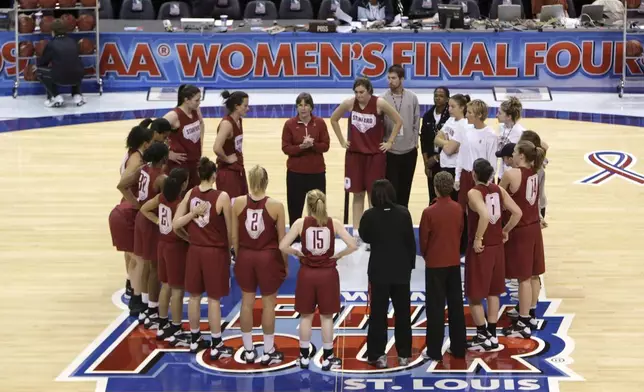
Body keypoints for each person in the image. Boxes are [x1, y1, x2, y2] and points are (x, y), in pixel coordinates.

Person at [279, 190, 358, 371]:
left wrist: (297, 253)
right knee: (326, 317)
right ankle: (328, 357)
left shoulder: (300, 223)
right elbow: (353, 244)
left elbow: (282, 245)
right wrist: (338, 255)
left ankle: (304, 356)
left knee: (306, 316)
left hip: (307, 273)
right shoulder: (334, 223)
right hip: (327, 274)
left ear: (308, 205)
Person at [172, 157, 234, 358]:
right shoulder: (222, 196)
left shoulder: (191, 193)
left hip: (195, 251)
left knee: (194, 297)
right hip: (215, 252)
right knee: (214, 299)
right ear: (214, 175)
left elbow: (176, 224)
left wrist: (191, 225)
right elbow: (231, 231)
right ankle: (216, 343)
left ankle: (194, 339)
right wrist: (232, 250)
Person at [330, 77, 403, 244]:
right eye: (356, 92)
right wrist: (342, 140)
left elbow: (399, 121)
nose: (358, 95)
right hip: (355, 155)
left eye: (361, 92)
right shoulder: (350, 103)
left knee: (374, 195)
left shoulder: (380, 103)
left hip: (374, 156)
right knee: (357, 194)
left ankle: (373, 231)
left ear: (369, 91)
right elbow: (334, 119)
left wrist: (390, 141)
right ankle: (356, 232)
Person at [232, 165, 288, 366]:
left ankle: (248, 350)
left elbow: (234, 238)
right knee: (268, 305)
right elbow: (283, 242)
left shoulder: (237, 203)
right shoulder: (276, 206)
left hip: (246, 256)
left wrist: (240, 258)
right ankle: (268, 350)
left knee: (246, 304)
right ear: (266, 181)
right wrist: (285, 264)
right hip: (267, 258)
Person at [465, 159, 522, 352]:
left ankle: (482, 335)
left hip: (483, 249)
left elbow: (484, 215)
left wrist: (478, 238)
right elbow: (517, 213)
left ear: (474, 174)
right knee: (493, 292)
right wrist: (505, 230)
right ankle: (492, 334)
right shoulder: (498, 190)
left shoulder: (473, 192)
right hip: (498, 247)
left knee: (474, 295)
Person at [359, 179, 416, 368]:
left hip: (378, 272)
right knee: (402, 314)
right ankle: (404, 354)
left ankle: (377, 355)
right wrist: (409, 267)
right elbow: (410, 242)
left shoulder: (369, 215)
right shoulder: (403, 213)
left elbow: (364, 236)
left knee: (377, 314)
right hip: (401, 271)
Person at [499, 141, 547, 339]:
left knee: (524, 278)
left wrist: (504, 229)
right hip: (534, 226)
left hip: (520, 229)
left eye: (515, 152)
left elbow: (498, 198)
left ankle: (523, 322)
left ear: (520, 156)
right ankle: (532, 313)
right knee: (534, 274)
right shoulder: (535, 174)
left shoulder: (511, 174)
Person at [418, 171, 466, 361]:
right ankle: (459, 348)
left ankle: (434, 351)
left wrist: (429, 256)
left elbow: (423, 241)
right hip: (454, 262)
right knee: (456, 306)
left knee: (435, 308)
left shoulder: (429, 212)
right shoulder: (458, 209)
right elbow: (460, 232)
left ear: (436, 188)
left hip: (435, 264)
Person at [139, 168, 190, 342]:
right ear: (183, 184)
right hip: (175, 248)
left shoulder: (161, 198)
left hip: (162, 245)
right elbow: (178, 227)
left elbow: (144, 209)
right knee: (177, 289)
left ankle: (162, 324)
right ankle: (176, 327)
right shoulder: (179, 203)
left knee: (166, 285)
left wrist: (158, 222)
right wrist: (189, 239)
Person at [109, 119, 154, 302]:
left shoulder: (131, 152)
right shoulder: (136, 160)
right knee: (138, 257)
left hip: (125, 203)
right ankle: (137, 295)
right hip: (129, 206)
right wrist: (136, 203)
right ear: (145, 143)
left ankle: (129, 281)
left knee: (130, 253)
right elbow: (121, 184)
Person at [131, 141, 170, 323]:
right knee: (154, 268)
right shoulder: (161, 178)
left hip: (141, 217)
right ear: (163, 158)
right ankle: (152, 308)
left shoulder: (144, 169)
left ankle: (146, 305)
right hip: (150, 220)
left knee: (147, 264)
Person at [281, 93, 329, 231]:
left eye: (306, 105)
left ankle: (318, 232)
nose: (303, 108)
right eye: (300, 105)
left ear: (311, 107)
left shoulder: (319, 123)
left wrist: (313, 145)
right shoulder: (289, 124)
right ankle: (295, 237)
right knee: (295, 208)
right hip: (296, 173)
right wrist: (301, 147)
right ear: (296, 107)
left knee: (318, 207)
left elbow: (325, 146)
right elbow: (285, 148)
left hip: (317, 172)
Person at [382, 64, 420, 208]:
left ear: (402, 79)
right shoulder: (383, 99)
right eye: (389, 78)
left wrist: (415, 140)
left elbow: (417, 121)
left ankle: (403, 216)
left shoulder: (412, 97)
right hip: (391, 152)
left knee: (406, 188)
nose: (390, 81)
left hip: (409, 151)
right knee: (391, 189)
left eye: (393, 78)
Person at [33, 19, 85, 108]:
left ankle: (55, 96)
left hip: (60, 77)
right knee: (75, 65)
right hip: (78, 76)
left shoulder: (51, 44)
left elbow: (42, 62)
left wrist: (38, 62)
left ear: (53, 32)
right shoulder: (74, 42)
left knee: (39, 70)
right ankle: (77, 95)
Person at [163, 84, 205, 189]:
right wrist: (167, 153)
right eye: (197, 100)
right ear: (186, 100)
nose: (199, 103)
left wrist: (201, 144)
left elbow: (201, 124)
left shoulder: (195, 110)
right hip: (180, 165)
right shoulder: (173, 116)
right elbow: (153, 133)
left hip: (195, 162)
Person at [432, 93, 470, 202]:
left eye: (453, 107)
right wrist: (448, 143)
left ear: (462, 108)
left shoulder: (465, 125)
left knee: (453, 200)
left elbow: (449, 150)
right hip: (444, 165)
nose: (449, 109)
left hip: (454, 167)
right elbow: (436, 139)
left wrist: (445, 143)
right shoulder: (450, 120)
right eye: (449, 106)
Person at [213, 90, 250, 199]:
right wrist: (227, 159)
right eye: (245, 106)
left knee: (242, 204)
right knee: (231, 207)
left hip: (238, 168)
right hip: (227, 172)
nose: (248, 108)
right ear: (236, 106)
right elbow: (216, 147)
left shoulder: (239, 120)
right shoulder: (227, 124)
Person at [420, 87, 450, 202]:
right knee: (433, 193)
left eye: (441, 96)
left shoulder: (450, 116)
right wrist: (426, 164)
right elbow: (423, 141)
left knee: (446, 192)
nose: (438, 98)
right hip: (431, 161)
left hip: (447, 160)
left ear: (447, 99)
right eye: (436, 95)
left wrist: (438, 157)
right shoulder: (428, 115)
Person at [496, 97, 526, 179]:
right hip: (501, 174)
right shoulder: (501, 127)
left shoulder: (521, 132)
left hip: (514, 175)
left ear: (508, 116)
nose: (496, 115)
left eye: (500, 113)